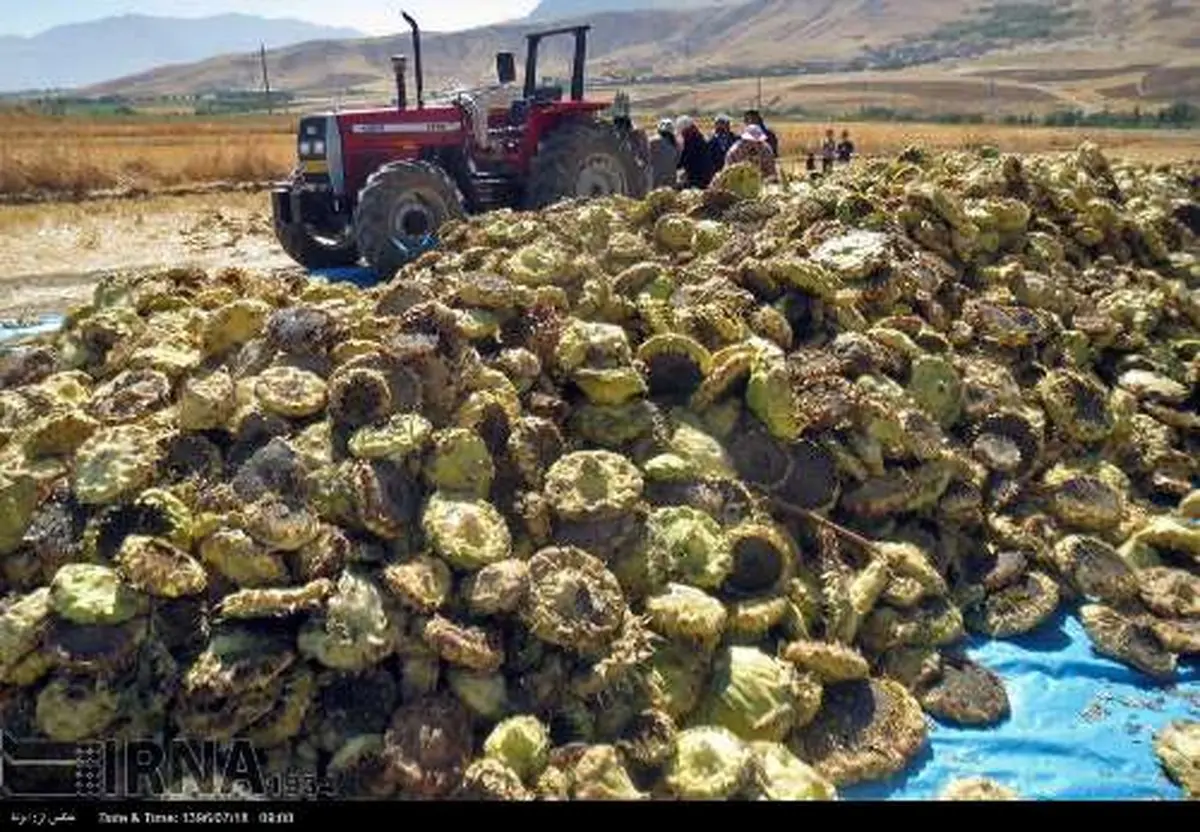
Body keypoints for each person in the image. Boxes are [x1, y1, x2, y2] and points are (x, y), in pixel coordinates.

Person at [676, 115, 714, 189]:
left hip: (698, 178)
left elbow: (685, 159)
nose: (682, 134)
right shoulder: (699, 137)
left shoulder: (691, 140)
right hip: (706, 176)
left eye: (682, 132)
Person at [648, 118, 679, 189]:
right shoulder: (676, 144)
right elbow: (677, 162)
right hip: (671, 181)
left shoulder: (653, 141)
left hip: (656, 180)